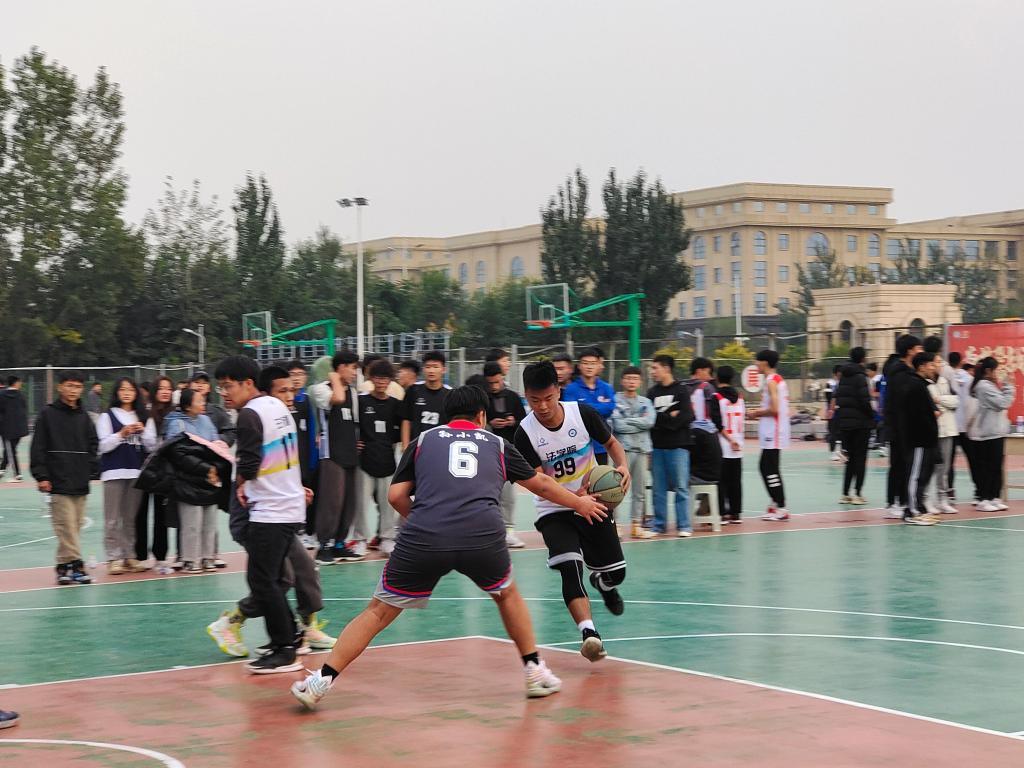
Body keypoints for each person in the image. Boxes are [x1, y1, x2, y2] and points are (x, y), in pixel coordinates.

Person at [290, 385, 606, 709]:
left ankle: (320, 681)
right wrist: (579, 503)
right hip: (482, 536)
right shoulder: (497, 444)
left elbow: (395, 496)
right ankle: (534, 671)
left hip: (424, 537)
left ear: (447, 416)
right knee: (507, 595)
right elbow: (541, 484)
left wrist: (425, 519)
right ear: (481, 416)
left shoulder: (423, 441)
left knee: (377, 612)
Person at [207, 366, 334, 659]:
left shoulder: (275, 414)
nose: (289, 396)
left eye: (292, 390)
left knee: (302, 570)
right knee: (280, 578)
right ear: (264, 390)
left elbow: (280, 462)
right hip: (256, 512)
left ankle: (302, 629)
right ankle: (238, 623)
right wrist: (246, 483)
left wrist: (294, 487)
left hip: (278, 508)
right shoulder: (254, 415)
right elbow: (251, 467)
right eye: (283, 390)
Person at [515, 361, 632, 661]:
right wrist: (572, 498)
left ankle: (603, 583)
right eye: (534, 400)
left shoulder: (582, 414)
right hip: (553, 510)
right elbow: (539, 483)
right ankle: (589, 634)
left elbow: (612, 443)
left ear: (558, 390)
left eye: (548, 398)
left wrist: (622, 466)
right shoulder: (524, 433)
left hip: (593, 502)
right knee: (570, 566)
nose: (542, 406)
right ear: (526, 396)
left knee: (616, 573)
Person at [215, 355, 308, 674]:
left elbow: (251, 464)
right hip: (288, 505)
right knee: (271, 579)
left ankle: (284, 651)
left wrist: (238, 479)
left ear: (248, 383)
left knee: (262, 580)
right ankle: (288, 639)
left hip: (271, 510)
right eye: (220, 387)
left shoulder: (249, 415)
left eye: (228, 386)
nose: (224, 393)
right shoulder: (277, 407)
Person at [30, 371, 98, 585]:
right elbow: (38, 447)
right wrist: (41, 475)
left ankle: (62, 567)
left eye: (77, 387)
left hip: (80, 480)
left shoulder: (84, 416)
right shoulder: (47, 414)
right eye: (69, 385)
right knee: (66, 526)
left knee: (74, 526)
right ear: (60, 387)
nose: (73, 390)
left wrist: (90, 468)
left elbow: (93, 443)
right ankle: (76, 566)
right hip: (57, 480)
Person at [308, 350, 364, 564]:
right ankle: (324, 546)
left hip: (350, 452)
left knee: (349, 502)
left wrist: (357, 441)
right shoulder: (322, 389)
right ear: (340, 367)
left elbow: (355, 422)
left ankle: (340, 544)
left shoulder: (354, 393)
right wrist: (333, 378)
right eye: (352, 368)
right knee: (332, 501)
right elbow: (338, 398)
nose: (355, 373)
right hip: (331, 453)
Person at [96, 377, 156, 575]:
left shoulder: (144, 417)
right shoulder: (107, 416)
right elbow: (102, 446)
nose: (126, 393)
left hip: (135, 472)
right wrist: (121, 434)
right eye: (122, 389)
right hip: (113, 472)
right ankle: (114, 558)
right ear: (117, 393)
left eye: (130, 389)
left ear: (136, 393)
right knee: (112, 518)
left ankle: (130, 555)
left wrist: (143, 431)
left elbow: (151, 446)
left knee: (130, 518)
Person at [163, 388, 222, 573]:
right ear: (187, 406)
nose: (203, 403)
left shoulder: (206, 421)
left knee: (209, 522)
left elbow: (216, 445)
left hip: (210, 479)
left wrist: (215, 468)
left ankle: (207, 557)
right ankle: (190, 559)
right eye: (199, 400)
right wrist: (205, 467)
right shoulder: (176, 424)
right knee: (191, 523)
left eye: (203, 399)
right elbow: (178, 453)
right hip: (187, 480)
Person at [354, 359, 403, 556]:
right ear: (370, 379)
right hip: (364, 460)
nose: (381, 382)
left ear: (390, 380)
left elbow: (402, 431)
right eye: (377, 378)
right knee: (361, 503)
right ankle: (360, 539)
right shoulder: (361, 401)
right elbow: (351, 426)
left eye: (385, 378)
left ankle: (387, 538)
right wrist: (354, 441)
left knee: (387, 503)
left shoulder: (396, 405)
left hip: (387, 460)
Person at [646, 354, 695, 536]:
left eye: (655, 368)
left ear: (666, 368)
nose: (652, 372)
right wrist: (670, 416)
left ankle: (684, 526)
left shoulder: (682, 390)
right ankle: (659, 525)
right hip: (657, 447)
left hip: (679, 447)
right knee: (658, 489)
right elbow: (649, 418)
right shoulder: (652, 392)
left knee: (681, 487)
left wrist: (662, 419)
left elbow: (686, 417)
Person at [484, 360, 529, 548]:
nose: (494, 386)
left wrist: (513, 422)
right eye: (491, 383)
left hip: (509, 451)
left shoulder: (513, 397)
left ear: (503, 377)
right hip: (487, 452)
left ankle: (509, 531)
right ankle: (490, 532)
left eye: (497, 381)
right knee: (488, 495)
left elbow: (524, 422)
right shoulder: (483, 398)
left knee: (509, 496)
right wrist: (490, 424)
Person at [137, 375, 176, 573]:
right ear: (154, 391)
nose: (165, 391)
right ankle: (141, 555)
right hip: (146, 469)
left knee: (162, 514)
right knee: (141, 512)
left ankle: (161, 556)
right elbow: (147, 443)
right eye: (161, 388)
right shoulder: (145, 413)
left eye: (168, 388)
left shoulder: (175, 414)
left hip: (165, 470)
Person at [610, 366, 656, 538]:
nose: (631, 381)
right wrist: (639, 422)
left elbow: (649, 422)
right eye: (628, 378)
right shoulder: (615, 400)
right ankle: (615, 525)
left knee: (640, 490)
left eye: (635, 379)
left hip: (642, 449)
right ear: (622, 381)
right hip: (623, 450)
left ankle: (637, 526)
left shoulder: (646, 402)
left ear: (640, 382)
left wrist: (628, 420)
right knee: (617, 489)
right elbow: (618, 425)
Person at [882, 336, 923, 519]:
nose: (920, 352)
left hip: (906, 427)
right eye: (918, 348)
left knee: (905, 465)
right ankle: (893, 503)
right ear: (909, 351)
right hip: (898, 427)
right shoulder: (898, 373)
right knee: (898, 465)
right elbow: (898, 404)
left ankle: (904, 500)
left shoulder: (908, 371)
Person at [968, 356, 1015, 512]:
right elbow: (1002, 403)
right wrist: (1009, 386)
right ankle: (984, 499)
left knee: (996, 467)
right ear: (988, 371)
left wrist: (1003, 387)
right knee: (987, 468)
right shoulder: (983, 386)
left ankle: (994, 497)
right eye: (996, 370)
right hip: (987, 434)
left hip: (996, 432)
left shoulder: (989, 385)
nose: (997, 374)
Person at [900, 352, 941, 525]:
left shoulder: (921, 385)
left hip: (926, 439)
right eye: (931, 365)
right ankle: (912, 511)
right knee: (915, 475)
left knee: (923, 475)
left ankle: (919, 508)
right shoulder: (914, 385)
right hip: (918, 439)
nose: (934, 368)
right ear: (922, 367)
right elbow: (916, 416)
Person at [751, 349, 790, 521]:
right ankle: (775, 503)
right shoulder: (777, 379)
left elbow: (774, 409)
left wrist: (756, 413)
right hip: (774, 430)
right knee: (766, 467)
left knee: (769, 469)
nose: (755, 364)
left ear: (765, 362)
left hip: (773, 431)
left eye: (757, 361)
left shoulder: (771, 381)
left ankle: (781, 507)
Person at [563, 347, 616, 465]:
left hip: (601, 444)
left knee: (601, 476)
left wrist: (584, 407)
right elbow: (572, 412)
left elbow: (610, 407)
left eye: (593, 363)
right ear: (579, 366)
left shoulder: (606, 387)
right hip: (579, 446)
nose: (589, 367)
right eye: (585, 363)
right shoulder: (571, 389)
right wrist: (599, 407)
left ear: (598, 365)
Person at [287, 360, 320, 546]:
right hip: (286, 461)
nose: (296, 378)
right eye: (293, 374)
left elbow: (314, 432)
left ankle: (308, 531)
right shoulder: (281, 402)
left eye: (300, 374)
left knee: (308, 496)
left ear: (305, 377)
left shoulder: (308, 401)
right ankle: (295, 531)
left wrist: (313, 460)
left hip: (306, 459)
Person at [835, 347, 874, 505]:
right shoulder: (861, 377)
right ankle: (857, 493)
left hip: (846, 423)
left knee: (850, 459)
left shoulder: (843, 376)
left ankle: (845, 494)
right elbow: (865, 400)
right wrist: (872, 416)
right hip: (861, 423)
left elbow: (839, 398)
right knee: (860, 459)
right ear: (863, 359)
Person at [925, 351, 960, 515]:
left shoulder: (945, 381)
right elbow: (931, 404)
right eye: (936, 362)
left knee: (944, 468)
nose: (940, 365)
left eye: (940, 362)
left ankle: (943, 500)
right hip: (934, 431)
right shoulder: (925, 383)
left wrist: (940, 400)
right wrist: (942, 402)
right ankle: (927, 499)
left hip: (949, 429)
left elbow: (955, 401)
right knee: (930, 467)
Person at [685, 357, 723, 490]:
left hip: (687, 434)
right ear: (699, 371)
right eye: (708, 372)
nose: (710, 376)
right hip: (705, 434)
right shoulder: (707, 387)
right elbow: (714, 412)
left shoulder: (681, 387)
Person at [400, 350, 451, 451]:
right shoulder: (413, 390)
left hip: (440, 448)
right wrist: (405, 445)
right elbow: (406, 419)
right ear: (423, 369)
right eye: (428, 367)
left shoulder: (450, 394)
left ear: (443, 369)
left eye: (435, 367)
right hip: (416, 448)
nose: (431, 371)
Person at [714, 366, 745, 523]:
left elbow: (717, 424)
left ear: (717, 378)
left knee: (721, 481)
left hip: (722, 445)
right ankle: (736, 513)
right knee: (736, 481)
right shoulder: (740, 397)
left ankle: (722, 513)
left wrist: (729, 440)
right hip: (738, 445)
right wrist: (735, 440)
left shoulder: (716, 397)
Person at [951, 354, 980, 504]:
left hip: (951, 426)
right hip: (966, 426)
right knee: (974, 460)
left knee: (947, 463)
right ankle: (979, 491)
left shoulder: (945, 377)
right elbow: (973, 403)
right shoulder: (970, 380)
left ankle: (948, 493)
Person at [190, 371, 237, 446]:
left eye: (204, 383)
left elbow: (230, 433)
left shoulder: (217, 411)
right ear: (190, 386)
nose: (200, 385)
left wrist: (214, 440)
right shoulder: (180, 411)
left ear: (209, 388)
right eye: (196, 382)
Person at [0, 375, 29, 481]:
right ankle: (2, 469)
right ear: (15, 383)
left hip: (7, 428)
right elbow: (24, 409)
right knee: (11, 449)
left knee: (10, 450)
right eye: (19, 382)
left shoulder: (2, 395)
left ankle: (17, 474)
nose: (20, 384)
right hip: (20, 429)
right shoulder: (21, 396)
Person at [824, 365, 845, 463]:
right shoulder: (830, 383)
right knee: (833, 433)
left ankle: (842, 451)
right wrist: (832, 408)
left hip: (842, 412)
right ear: (836, 373)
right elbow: (828, 397)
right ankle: (832, 452)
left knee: (842, 433)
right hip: (832, 412)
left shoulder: (843, 383)